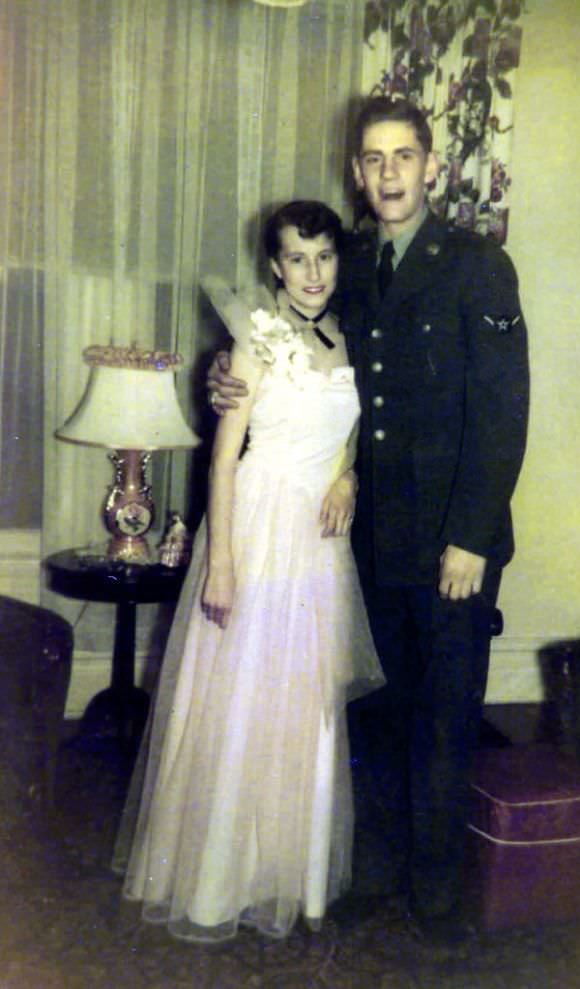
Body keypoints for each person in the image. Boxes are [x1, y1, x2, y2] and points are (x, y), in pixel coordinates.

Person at [208, 96, 529, 937]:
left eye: (403, 156)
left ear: (433, 166)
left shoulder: (476, 265)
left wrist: (469, 536)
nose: (388, 173)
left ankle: (436, 896)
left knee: (446, 713)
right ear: (358, 172)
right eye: (373, 159)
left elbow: (502, 411)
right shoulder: (345, 259)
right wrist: (223, 373)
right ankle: (384, 867)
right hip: (374, 537)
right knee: (388, 707)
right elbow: (287, 335)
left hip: (451, 541)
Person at [112, 200, 384, 943]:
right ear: (274, 265)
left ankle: (287, 874)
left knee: (304, 707)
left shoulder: (350, 337)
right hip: (259, 529)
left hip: (320, 545)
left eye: (323, 256)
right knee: (244, 702)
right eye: (296, 258)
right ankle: (216, 879)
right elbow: (223, 457)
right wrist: (221, 564)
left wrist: (348, 475)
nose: (312, 273)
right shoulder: (255, 338)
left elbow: (352, 431)